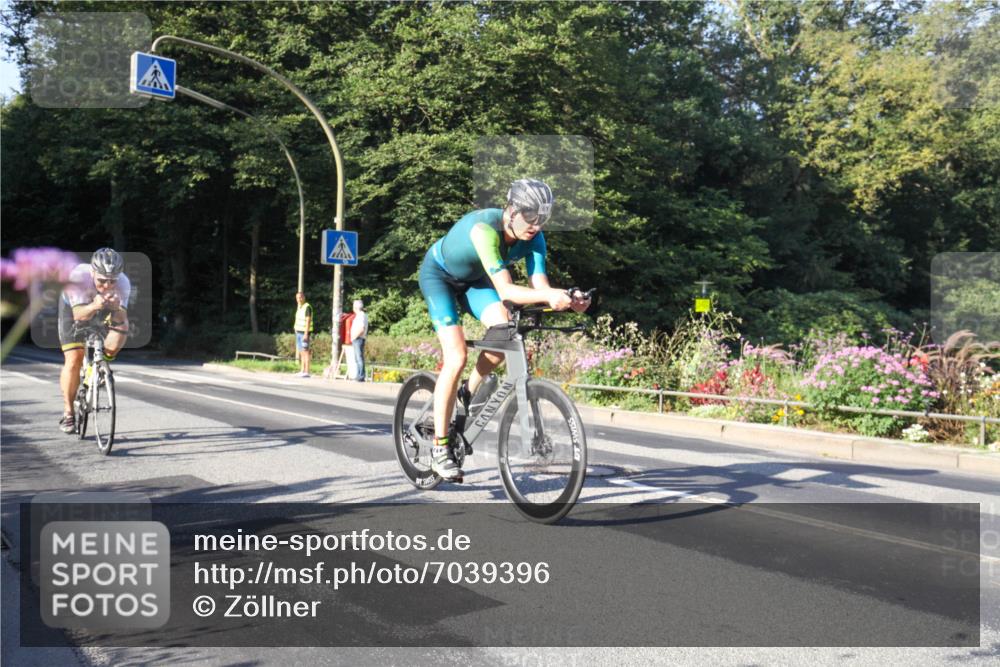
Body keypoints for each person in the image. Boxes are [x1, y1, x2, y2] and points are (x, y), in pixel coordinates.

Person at [418, 178, 591, 481]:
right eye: (531, 217)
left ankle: (466, 394)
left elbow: (540, 287)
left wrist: (566, 298)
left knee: (504, 334)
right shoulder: (484, 229)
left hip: (474, 281)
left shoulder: (535, 238)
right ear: (511, 210)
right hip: (439, 276)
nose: (536, 225)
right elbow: (508, 291)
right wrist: (550, 296)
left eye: (542, 219)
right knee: (456, 356)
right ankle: (440, 449)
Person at [58, 248, 130, 433]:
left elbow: (121, 318)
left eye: (112, 281)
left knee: (122, 328)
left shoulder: (123, 283)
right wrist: (95, 305)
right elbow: (79, 315)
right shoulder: (78, 277)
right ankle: (68, 413)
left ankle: (99, 368)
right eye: (101, 280)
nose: (107, 285)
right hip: (74, 308)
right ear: (92, 273)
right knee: (74, 358)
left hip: (103, 306)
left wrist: (116, 309)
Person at [293, 292, 313, 377]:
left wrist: (305, 333)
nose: (299, 299)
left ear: (304, 297)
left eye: (300, 297)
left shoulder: (307, 307)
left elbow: (308, 320)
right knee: (301, 352)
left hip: (304, 333)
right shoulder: (299, 307)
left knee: (306, 352)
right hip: (298, 332)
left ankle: (307, 371)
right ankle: (302, 370)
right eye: (297, 298)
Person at [350, 299, 369, 382]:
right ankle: (359, 375)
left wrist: (354, 337)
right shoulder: (360, 315)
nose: (353, 308)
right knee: (358, 358)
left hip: (358, 339)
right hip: (358, 339)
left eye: (354, 306)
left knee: (359, 358)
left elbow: (362, 328)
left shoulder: (361, 315)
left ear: (356, 307)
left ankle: (361, 376)